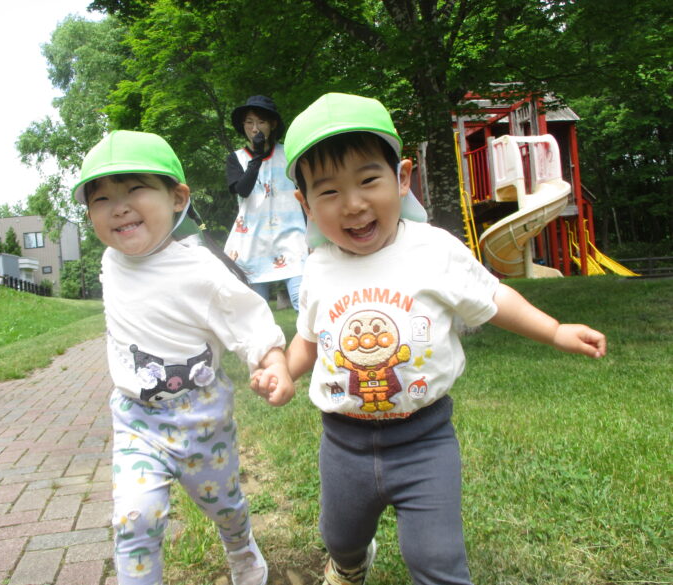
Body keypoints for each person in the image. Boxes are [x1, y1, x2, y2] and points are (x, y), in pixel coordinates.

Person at [253, 93, 607, 585]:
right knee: (340, 535)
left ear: (401, 178)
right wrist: (283, 370)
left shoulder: (433, 250)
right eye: (329, 192)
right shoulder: (317, 267)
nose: (353, 204)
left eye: (368, 180)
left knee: (437, 560)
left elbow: (493, 296)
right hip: (344, 443)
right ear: (304, 204)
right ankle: (351, 564)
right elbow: (309, 341)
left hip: (424, 441)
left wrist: (554, 330)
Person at [73, 130, 295, 585]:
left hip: (201, 417)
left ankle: (240, 547)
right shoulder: (110, 262)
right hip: (136, 418)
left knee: (225, 506)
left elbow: (247, 315)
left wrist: (271, 361)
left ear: (177, 198)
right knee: (135, 518)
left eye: (136, 189)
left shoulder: (199, 270)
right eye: (102, 199)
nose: (119, 207)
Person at [224, 95, 309, 310]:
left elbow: (306, 191)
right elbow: (242, 190)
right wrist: (257, 158)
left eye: (261, 122)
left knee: (304, 301)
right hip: (251, 241)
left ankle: (310, 344)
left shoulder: (289, 154)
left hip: (292, 237)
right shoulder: (236, 158)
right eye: (249, 122)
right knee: (257, 310)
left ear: (272, 124)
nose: (255, 128)